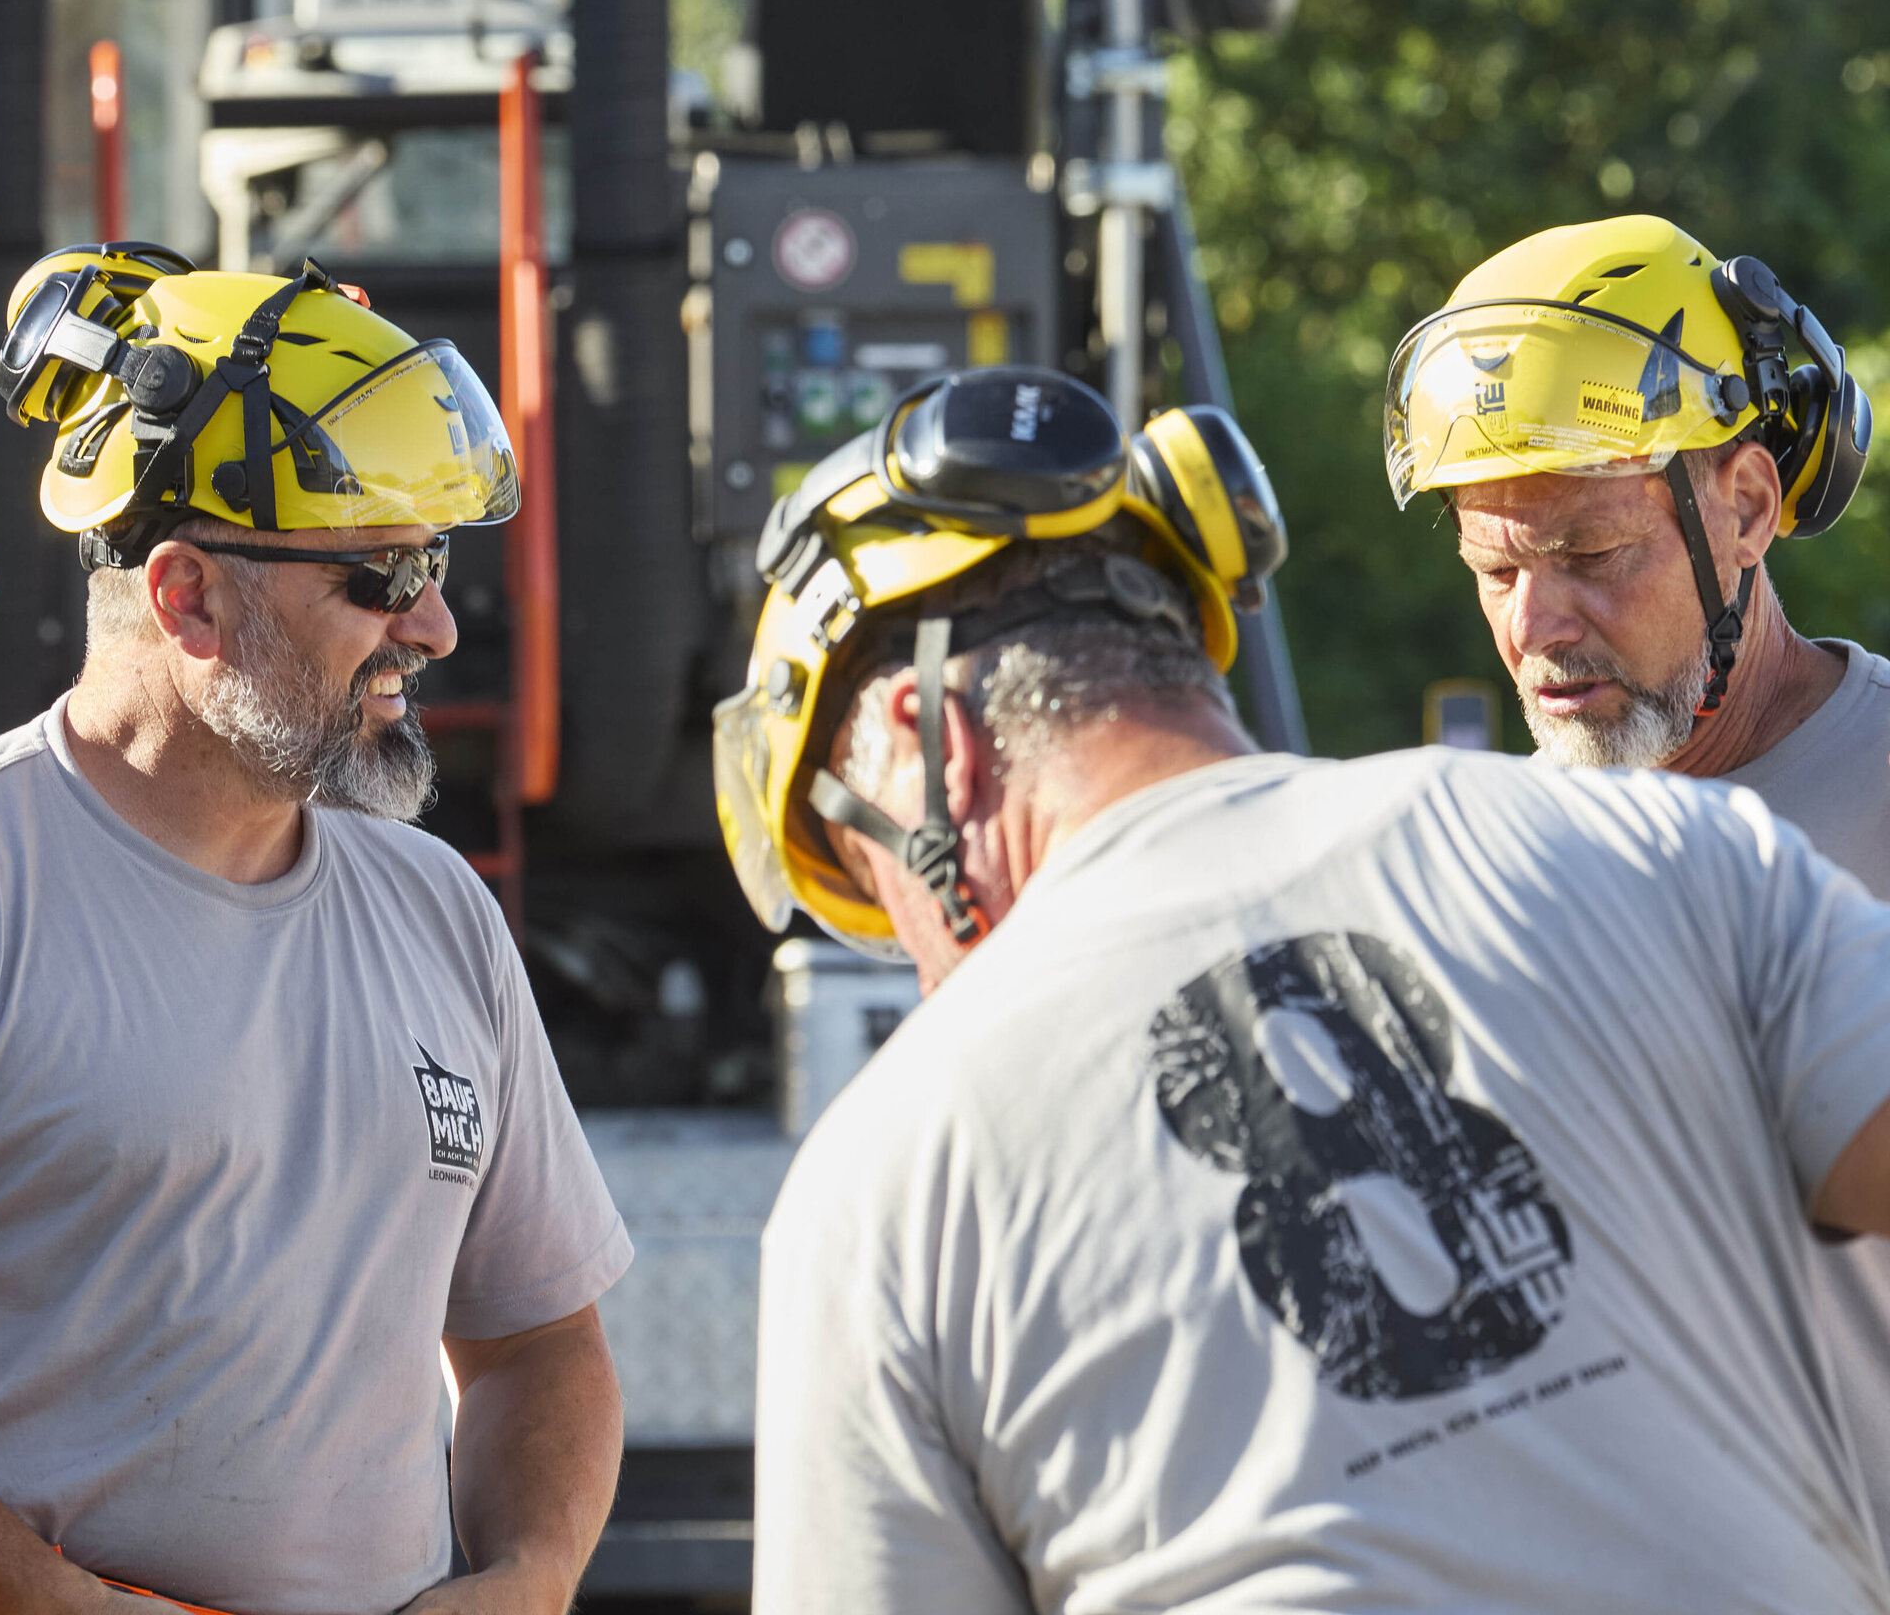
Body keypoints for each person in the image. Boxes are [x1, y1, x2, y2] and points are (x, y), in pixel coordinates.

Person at [717, 363, 1890, 1613]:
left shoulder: (881, 1187)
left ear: (932, 746)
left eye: (868, 865)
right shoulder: (1673, 854)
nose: (908, 939)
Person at [0, 245, 630, 1615]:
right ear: (187, 596)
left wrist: (529, 1577)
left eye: (434, 564)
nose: (438, 627)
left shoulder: (437, 910)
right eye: (380, 579)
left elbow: (533, 1346)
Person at [1383, 211, 1890, 1543]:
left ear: (1747, 508)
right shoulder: (1487, 861)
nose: (1538, 630)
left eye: (1592, 558)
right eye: (1494, 570)